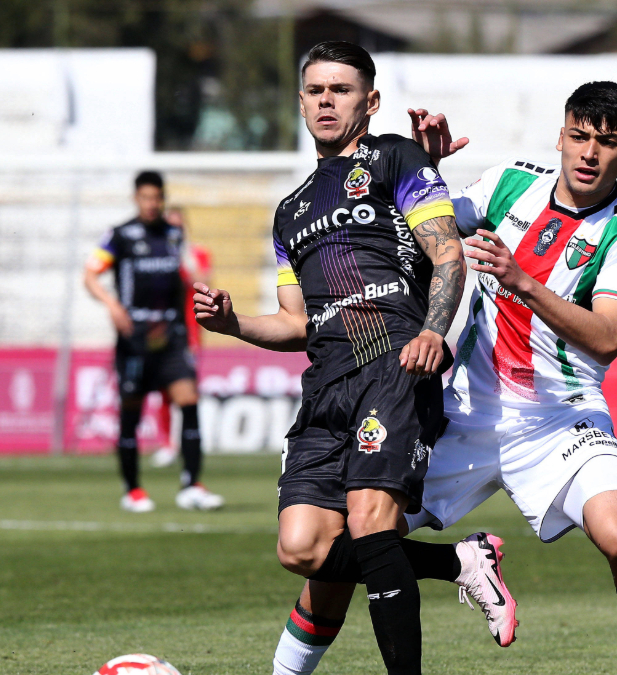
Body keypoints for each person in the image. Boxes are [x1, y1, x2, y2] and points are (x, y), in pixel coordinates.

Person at [299, 82, 617, 675]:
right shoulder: (510, 182)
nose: (590, 153)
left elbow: (608, 338)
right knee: (341, 546)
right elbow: (417, 234)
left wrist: (523, 282)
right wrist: (425, 171)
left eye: (608, 143)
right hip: (463, 412)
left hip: (560, 418)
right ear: (561, 136)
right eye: (581, 137)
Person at [193, 42, 516, 675]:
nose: (326, 101)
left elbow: (448, 254)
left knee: (371, 520)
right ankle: (460, 561)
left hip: (393, 364)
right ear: (301, 101)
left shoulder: (395, 157)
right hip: (326, 386)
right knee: (303, 547)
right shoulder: (290, 211)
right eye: (315, 90)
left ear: (369, 101)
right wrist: (232, 324)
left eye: (341, 90)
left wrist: (433, 331)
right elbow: (294, 324)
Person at [84, 171, 224, 513]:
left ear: (162, 198)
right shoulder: (120, 236)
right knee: (130, 410)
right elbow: (90, 275)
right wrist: (113, 305)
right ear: (137, 198)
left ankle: (192, 484)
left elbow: (190, 275)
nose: (152, 204)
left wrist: (200, 283)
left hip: (172, 335)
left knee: (188, 401)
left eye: (157, 198)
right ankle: (132, 489)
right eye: (146, 198)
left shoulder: (174, 235)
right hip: (135, 337)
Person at [150, 207, 213, 469]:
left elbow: (205, 283)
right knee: (162, 389)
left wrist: (185, 260)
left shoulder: (195, 253)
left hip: (188, 331)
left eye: (179, 225)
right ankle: (167, 444)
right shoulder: (155, 254)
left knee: (186, 388)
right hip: (159, 329)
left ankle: (188, 441)